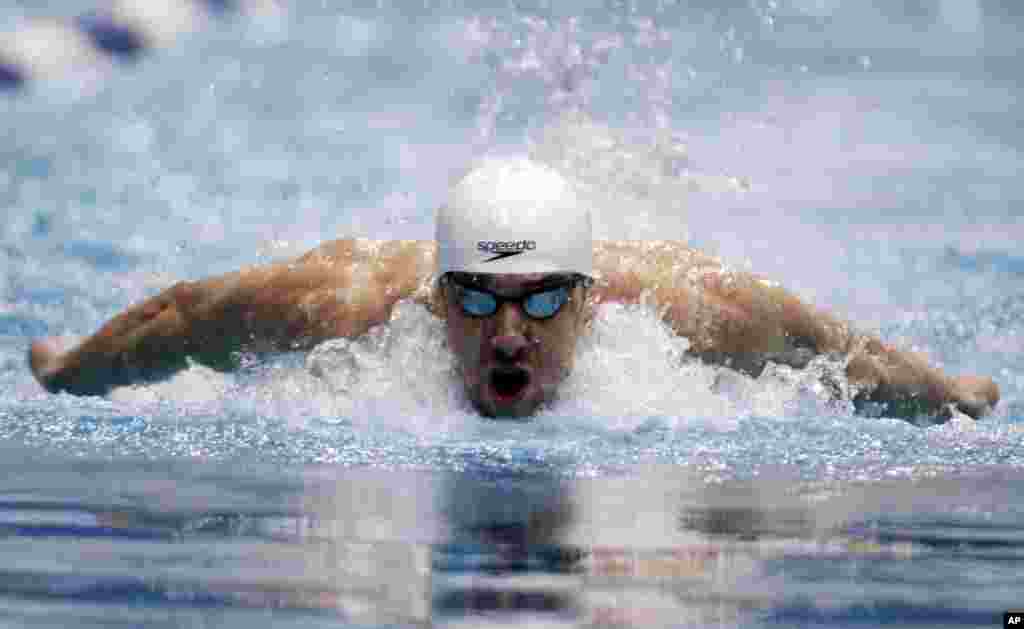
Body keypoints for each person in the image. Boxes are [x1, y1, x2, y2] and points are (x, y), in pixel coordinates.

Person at [28, 157, 999, 421]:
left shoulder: (684, 308)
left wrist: (950, 393)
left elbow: (832, 347)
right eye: (476, 297)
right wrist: (70, 367)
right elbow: (187, 315)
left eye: (539, 300)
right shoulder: (352, 300)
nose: (504, 334)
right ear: (432, 290)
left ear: (589, 297)